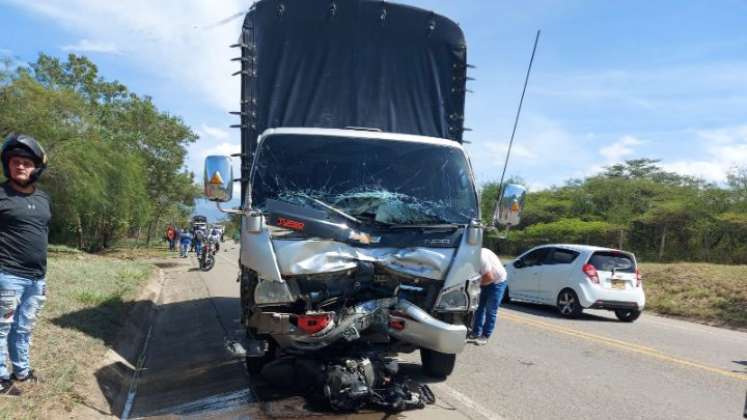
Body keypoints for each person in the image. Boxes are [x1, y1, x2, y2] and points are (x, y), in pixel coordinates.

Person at [0, 134, 50, 396]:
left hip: (36, 278)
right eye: (15, 162)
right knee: (2, 326)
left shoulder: (44, 199)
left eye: (26, 162)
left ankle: (21, 370)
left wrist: (42, 277)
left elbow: (42, 234)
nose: (20, 166)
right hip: (7, 276)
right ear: (7, 165)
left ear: (36, 167)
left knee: (24, 327)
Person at [469, 247, 508, 346]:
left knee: (491, 310)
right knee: (478, 307)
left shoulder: (480, 257)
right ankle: (475, 333)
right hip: (485, 278)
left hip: (497, 281)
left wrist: (475, 285)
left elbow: (489, 278)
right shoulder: (471, 254)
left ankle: (485, 336)